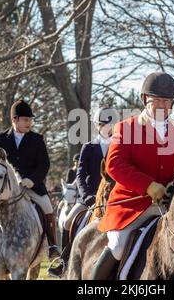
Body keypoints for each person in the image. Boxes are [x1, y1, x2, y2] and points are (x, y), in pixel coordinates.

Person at [91, 72, 174, 279]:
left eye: (166, 101)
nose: (161, 105)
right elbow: (114, 164)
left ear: (172, 103)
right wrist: (148, 185)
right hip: (132, 205)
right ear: (144, 100)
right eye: (155, 100)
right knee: (118, 245)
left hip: (170, 205)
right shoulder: (126, 128)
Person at [0, 99, 60, 260]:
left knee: (48, 208)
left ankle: (52, 246)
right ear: (15, 119)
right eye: (26, 120)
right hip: (5, 188)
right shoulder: (1, 138)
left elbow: (44, 165)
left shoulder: (37, 139)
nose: (29, 123)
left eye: (30, 120)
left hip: (31, 187)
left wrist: (31, 180)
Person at [48, 107, 117, 278]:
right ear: (97, 125)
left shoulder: (119, 146)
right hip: (89, 198)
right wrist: (86, 196)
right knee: (67, 222)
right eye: (104, 124)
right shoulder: (88, 147)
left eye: (111, 125)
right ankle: (64, 261)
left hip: (113, 198)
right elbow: (80, 174)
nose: (108, 128)